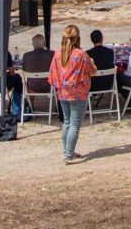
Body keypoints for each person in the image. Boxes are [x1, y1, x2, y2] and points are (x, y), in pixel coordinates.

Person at [47, 25, 96, 164]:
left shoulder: (57, 53)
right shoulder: (80, 54)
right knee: (74, 124)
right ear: (78, 38)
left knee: (67, 122)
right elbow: (92, 71)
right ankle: (68, 155)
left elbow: (52, 73)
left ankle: (68, 151)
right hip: (78, 93)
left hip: (62, 92)